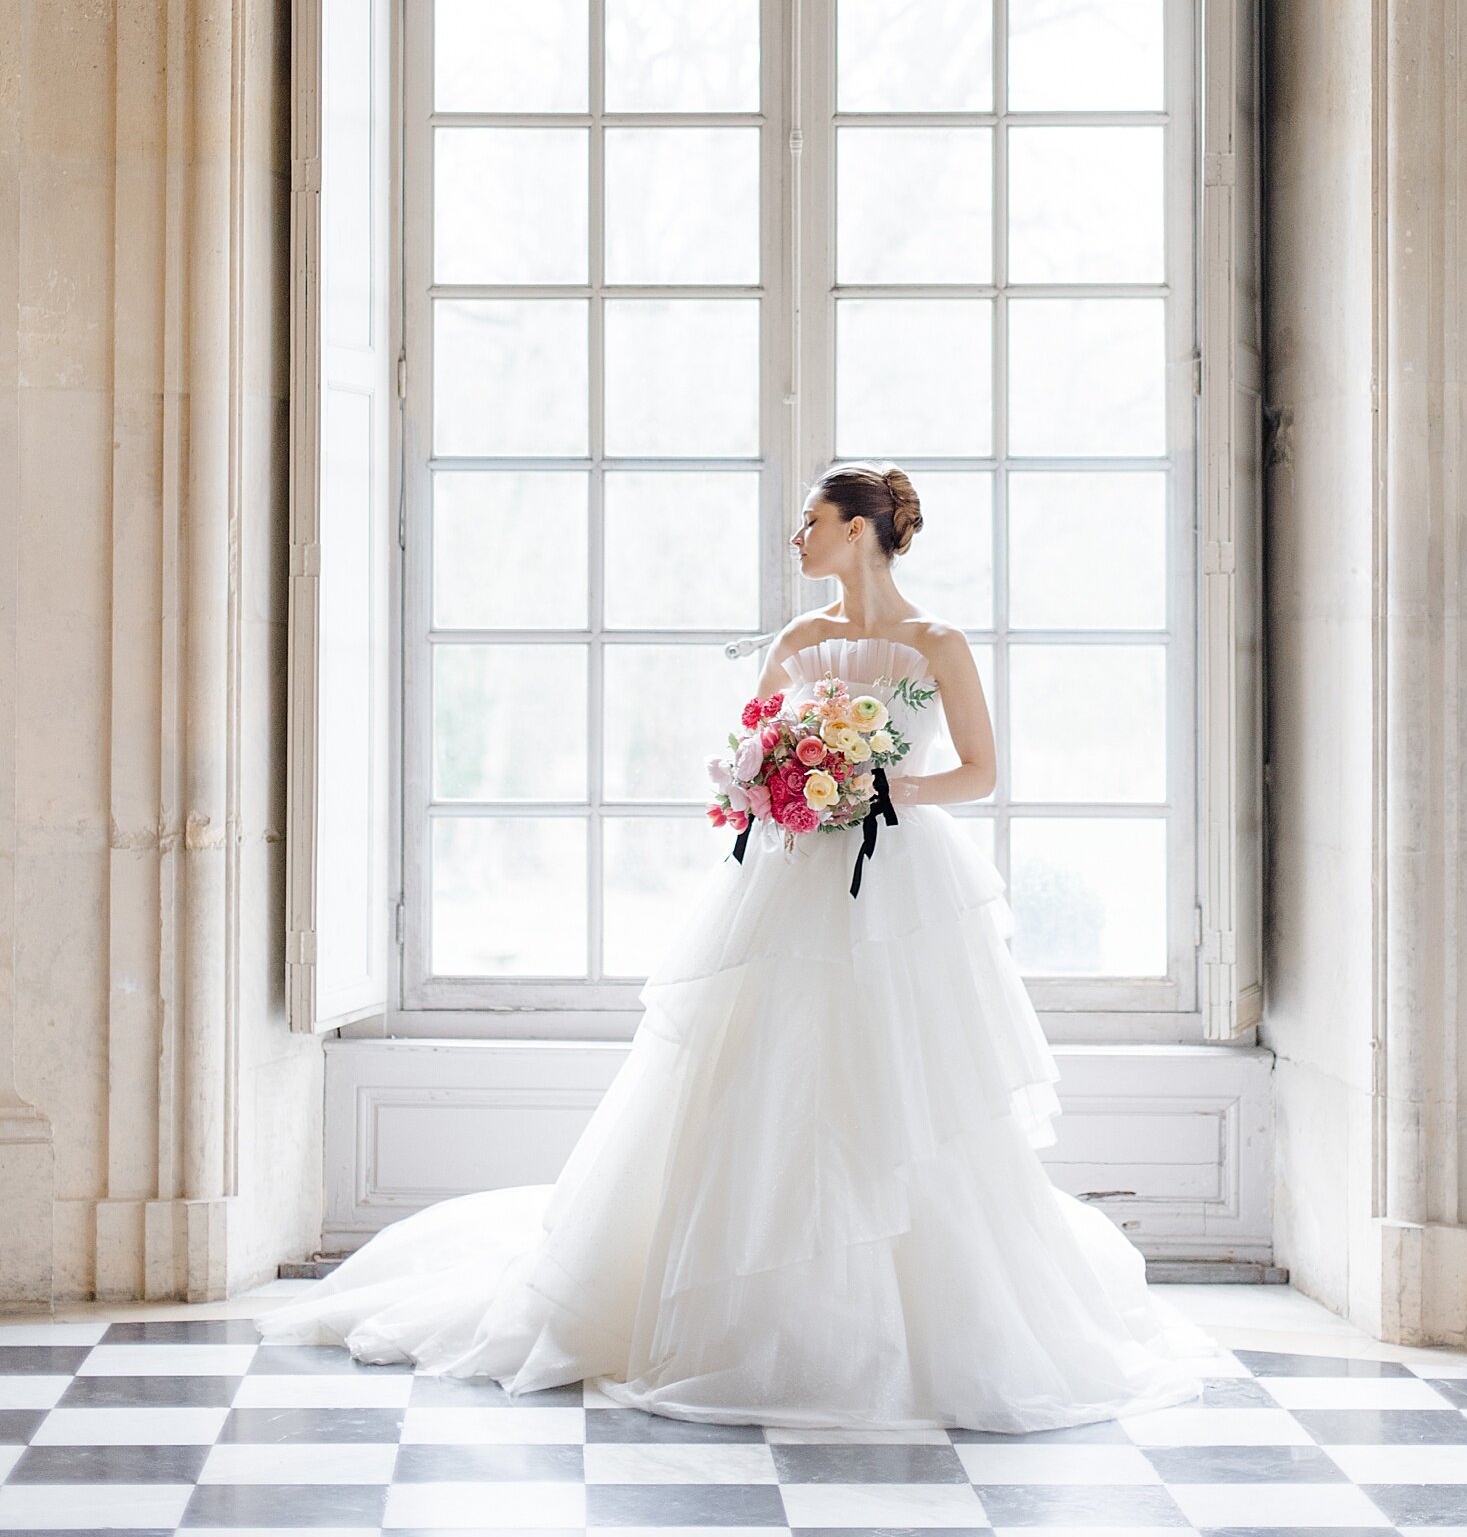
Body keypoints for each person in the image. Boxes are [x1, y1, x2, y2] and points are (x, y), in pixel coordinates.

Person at [254, 460, 1211, 1430]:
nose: (797, 538)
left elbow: (979, 771)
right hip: (789, 879)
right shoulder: (799, 640)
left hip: (900, 882)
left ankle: (911, 1322)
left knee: (903, 1084)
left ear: (861, 532)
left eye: (812, 520)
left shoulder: (936, 643)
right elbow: (754, 749)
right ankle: (734, 1306)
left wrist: (882, 788)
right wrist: (775, 782)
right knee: (761, 1077)